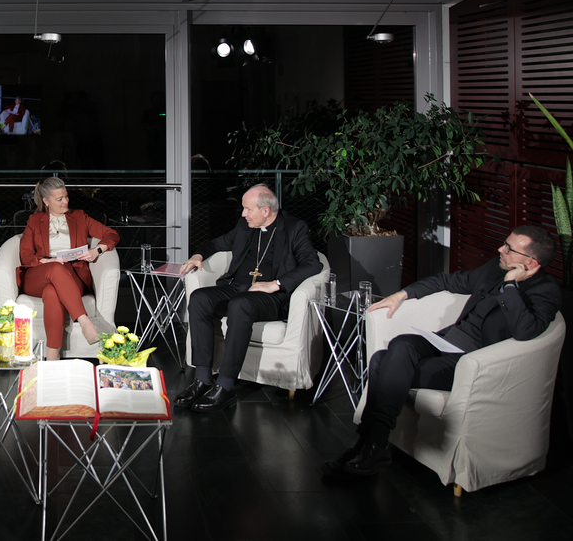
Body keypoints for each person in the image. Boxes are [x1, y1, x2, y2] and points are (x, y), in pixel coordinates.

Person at [322, 225, 560, 478]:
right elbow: (448, 281)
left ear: (530, 262)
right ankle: (374, 445)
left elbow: (526, 331)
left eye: (509, 248)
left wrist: (510, 285)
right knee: (402, 343)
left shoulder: (544, 289)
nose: (501, 249)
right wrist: (401, 295)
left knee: (382, 360)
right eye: (505, 242)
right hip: (444, 342)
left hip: (469, 362)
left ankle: (366, 444)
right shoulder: (495, 267)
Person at [174, 184, 322, 413]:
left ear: (265, 211)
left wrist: (276, 284)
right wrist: (197, 255)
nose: (243, 214)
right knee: (199, 298)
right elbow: (217, 243)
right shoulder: (245, 226)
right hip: (238, 288)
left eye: (248, 209)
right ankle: (202, 378)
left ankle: (225, 386)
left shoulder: (294, 228)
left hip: (271, 298)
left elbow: (313, 264)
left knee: (240, 305)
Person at [18, 177, 119, 361]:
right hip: (39, 274)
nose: (65, 201)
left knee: (52, 292)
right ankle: (84, 321)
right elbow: (26, 255)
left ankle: (52, 354)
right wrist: (49, 261)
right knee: (55, 268)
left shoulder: (79, 217)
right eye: (59, 199)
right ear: (46, 201)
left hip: (72, 276)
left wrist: (97, 250)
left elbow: (111, 234)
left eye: (66, 197)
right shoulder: (35, 220)